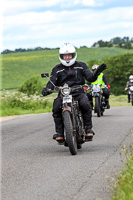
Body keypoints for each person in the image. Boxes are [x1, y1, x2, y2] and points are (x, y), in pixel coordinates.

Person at [41, 43, 106, 143]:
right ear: (61, 56)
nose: (67, 57)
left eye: (69, 55)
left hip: (78, 92)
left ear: (73, 55)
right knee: (56, 107)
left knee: (85, 104)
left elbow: (89, 78)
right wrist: (46, 90)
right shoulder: (57, 69)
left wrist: (96, 73)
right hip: (63, 94)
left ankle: (88, 129)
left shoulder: (81, 65)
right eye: (65, 56)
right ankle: (60, 133)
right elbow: (52, 82)